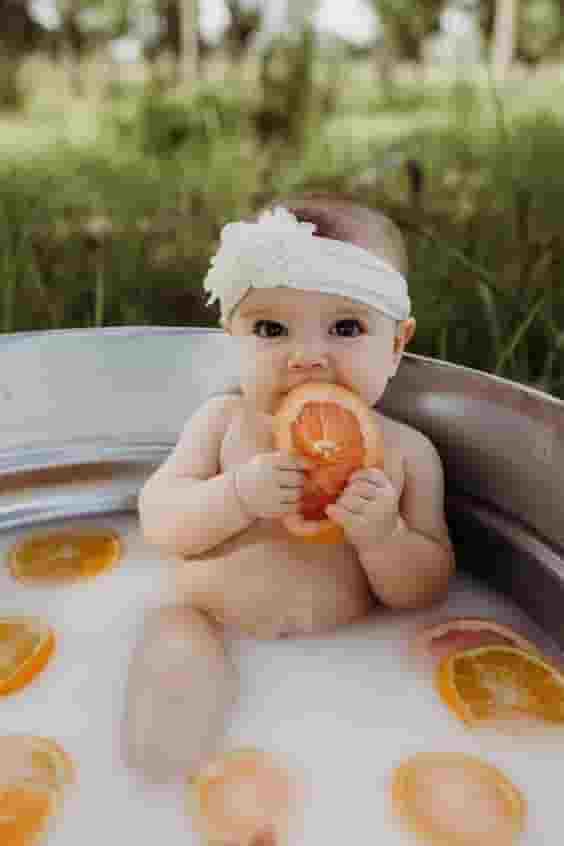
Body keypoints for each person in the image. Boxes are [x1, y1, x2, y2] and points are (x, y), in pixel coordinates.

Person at [122, 193, 456, 782]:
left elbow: (426, 589)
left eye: (346, 328)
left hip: (348, 650)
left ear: (397, 344)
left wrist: (385, 537)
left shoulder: (406, 456)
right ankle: (159, 786)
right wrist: (235, 497)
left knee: (386, 725)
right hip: (207, 627)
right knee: (172, 650)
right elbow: (160, 519)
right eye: (271, 329)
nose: (307, 357)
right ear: (232, 335)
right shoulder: (221, 424)